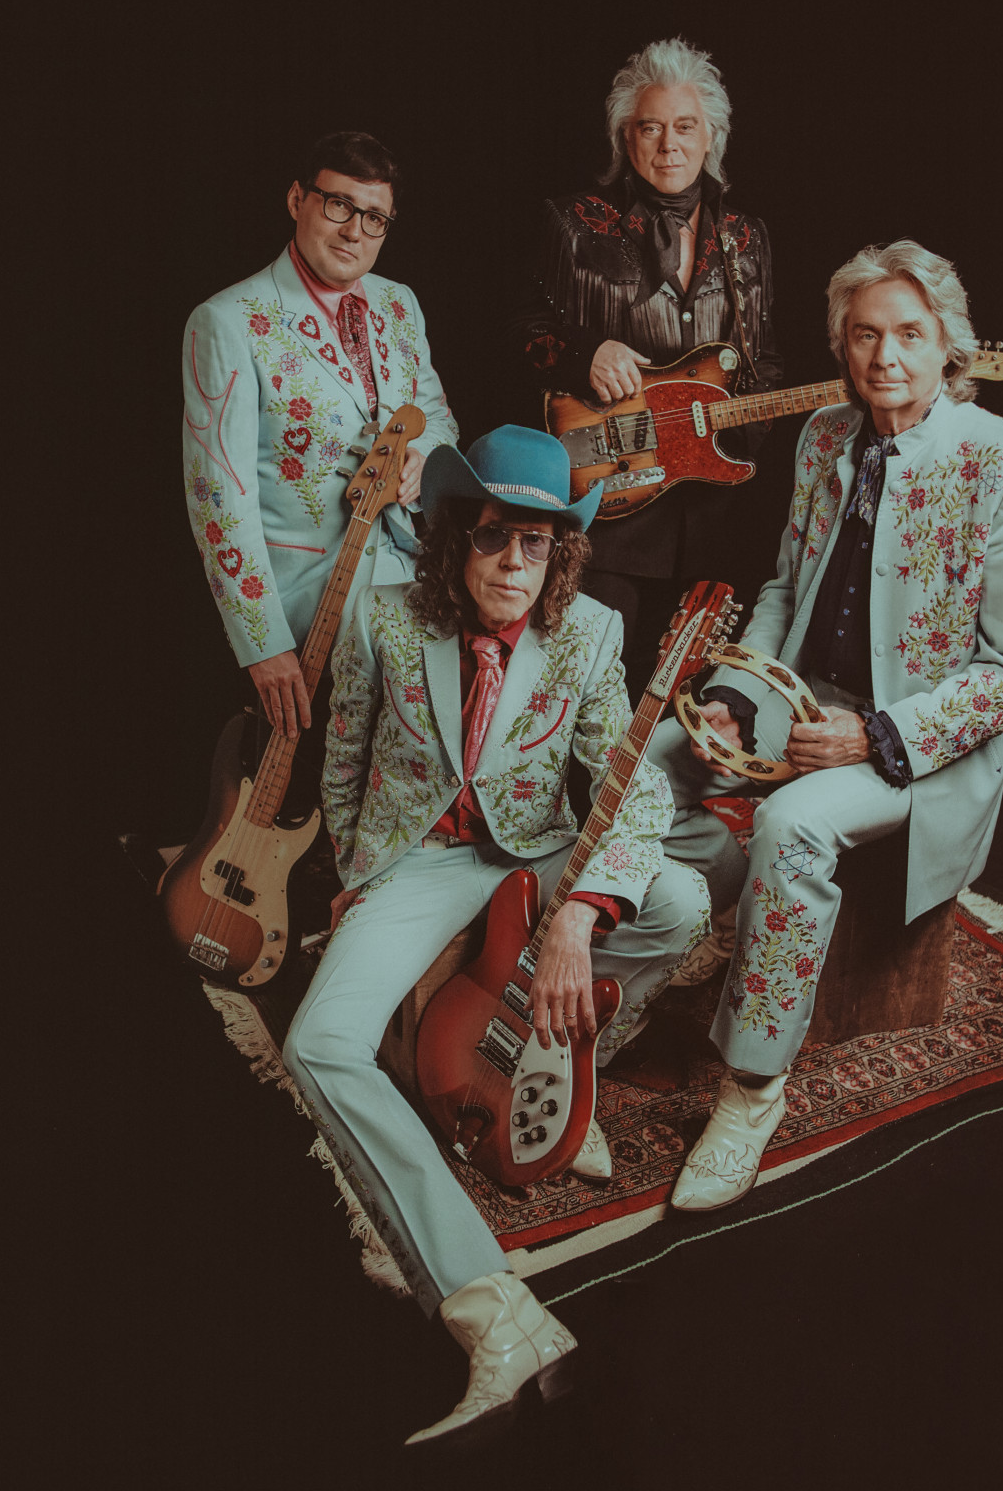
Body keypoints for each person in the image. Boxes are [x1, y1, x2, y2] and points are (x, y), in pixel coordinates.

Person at [282, 425, 709, 1444]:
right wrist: (354, 880)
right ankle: (494, 1312)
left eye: (536, 544)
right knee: (316, 1044)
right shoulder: (384, 622)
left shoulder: (591, 632)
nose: (513, 565)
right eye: (491, 540)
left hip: (535, 851)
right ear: (450, 541)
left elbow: (633, 785)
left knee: (681, 903)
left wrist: (577, 914)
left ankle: (571, 1056)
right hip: (420, 860)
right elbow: (342, 764)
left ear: (561, 551)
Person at [644, 240, 1003, 1210]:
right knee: (651, 769)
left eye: (909, 334)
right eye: (865, 333)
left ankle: (751, 1088)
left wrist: (874, 737)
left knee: (794, 825)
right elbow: (788, 586)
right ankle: (723, 925)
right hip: (806, 696)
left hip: (919, 743)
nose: (885, 356)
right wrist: (736, 693)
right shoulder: (826, 433)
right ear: (842, 342)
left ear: (947, 343)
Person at [510, 36, 784, 695]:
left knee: (683, 702)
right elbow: (520, 334)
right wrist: (585, 356)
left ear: (711, 136)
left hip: (714, 514)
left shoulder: (747, 240)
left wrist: (737, 426)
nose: (669, 144)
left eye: (685, 126)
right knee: (586, 692)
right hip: (610, 502)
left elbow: (764, 358)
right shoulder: (574, 224)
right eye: (650, 127)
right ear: (623, 138)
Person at [182, 130, 458, 742]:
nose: (354, 231)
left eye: (375, 218)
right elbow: (218, 501)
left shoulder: (399, 304)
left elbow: (438, 416)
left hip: (414, 576)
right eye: (338, 205)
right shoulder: (228, 321)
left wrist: (422, 451)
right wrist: (263, 643)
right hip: (307, 602)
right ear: (296, 200)